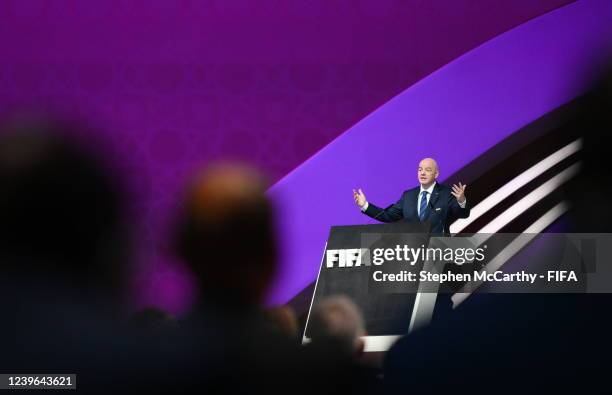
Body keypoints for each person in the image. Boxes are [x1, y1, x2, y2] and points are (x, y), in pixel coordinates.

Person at [353, 158, 470, 234]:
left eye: (428, 170)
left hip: (439, 254)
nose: (422, 173)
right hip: (414, 254)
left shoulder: (445, 193)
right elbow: (388, 216)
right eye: (420, 170)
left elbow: (463, 214)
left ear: (436, 174)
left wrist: (461, 201)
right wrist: (365, 205)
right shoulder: (408, 196)